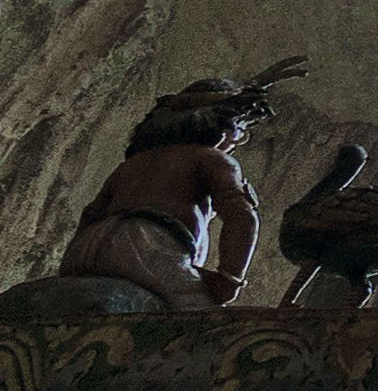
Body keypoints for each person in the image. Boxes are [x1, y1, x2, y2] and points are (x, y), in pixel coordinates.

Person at [62, 63, 298, 305]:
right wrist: (229, 279)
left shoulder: (132, 164)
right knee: (203, 323)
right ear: (221, 123)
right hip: (147, 249)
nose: (240, 137)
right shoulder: (212, 159)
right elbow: (242, 217)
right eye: (239, 126)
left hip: (85, 248)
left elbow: (90, 214)